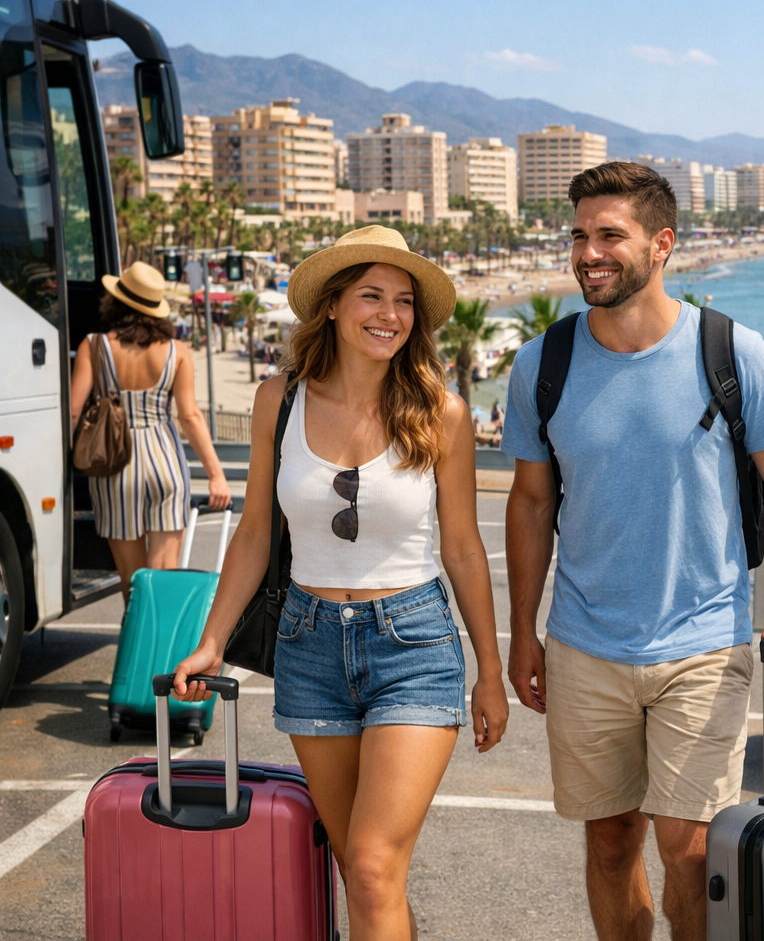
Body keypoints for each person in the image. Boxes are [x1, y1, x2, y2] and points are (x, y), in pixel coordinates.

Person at [502, 162, 764, 941]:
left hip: (704, 643)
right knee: (611, 845)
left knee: (687, 852)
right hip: (584, 643)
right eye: (579, 235)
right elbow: (532, 500)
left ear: (663, 243)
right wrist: (522, 632)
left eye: (610, 234)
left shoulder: (731, 351)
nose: (589, 252)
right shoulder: (540, 364)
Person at [173, 226, 508, 940]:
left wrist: (490, 671)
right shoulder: (279, 401)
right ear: (331, 306)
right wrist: (209, 642)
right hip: (308, 645)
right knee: (363, 873)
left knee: (375, 863)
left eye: (404, 301)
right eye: (371, 296)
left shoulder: (438, 410)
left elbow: (464, 548)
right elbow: (256, 535)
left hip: (413, 643)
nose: (390, 314)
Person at [69, 262, 231, 601]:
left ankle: (137, 652)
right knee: (163, 581)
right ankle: (164, 654)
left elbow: (73, 411)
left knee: (134, 583)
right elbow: (189, 416)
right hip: (165, 465)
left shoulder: (94, 346)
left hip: (114, 468)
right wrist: (216, 475)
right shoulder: (176, 351)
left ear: (115, 302)